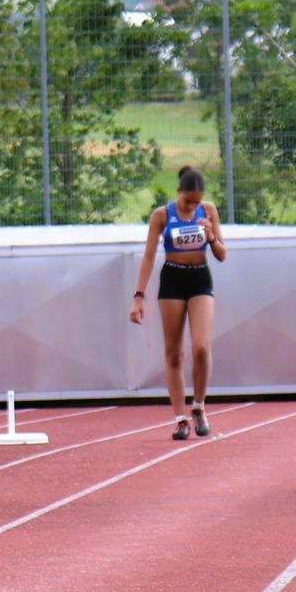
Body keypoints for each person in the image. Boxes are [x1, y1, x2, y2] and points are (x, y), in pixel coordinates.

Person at [129, 165, 228, 440]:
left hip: (200, 279)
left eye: (196, 201)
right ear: (178, 193)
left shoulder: (208, 210)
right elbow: (149, 256)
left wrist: (210, 236)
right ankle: (180, 418)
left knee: (200, 347)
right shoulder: (162, 215)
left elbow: (222, 254)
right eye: (188, 201)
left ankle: (199, 406)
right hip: (172, 280)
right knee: (174, 353)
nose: (192, 206)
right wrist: (139, 296)